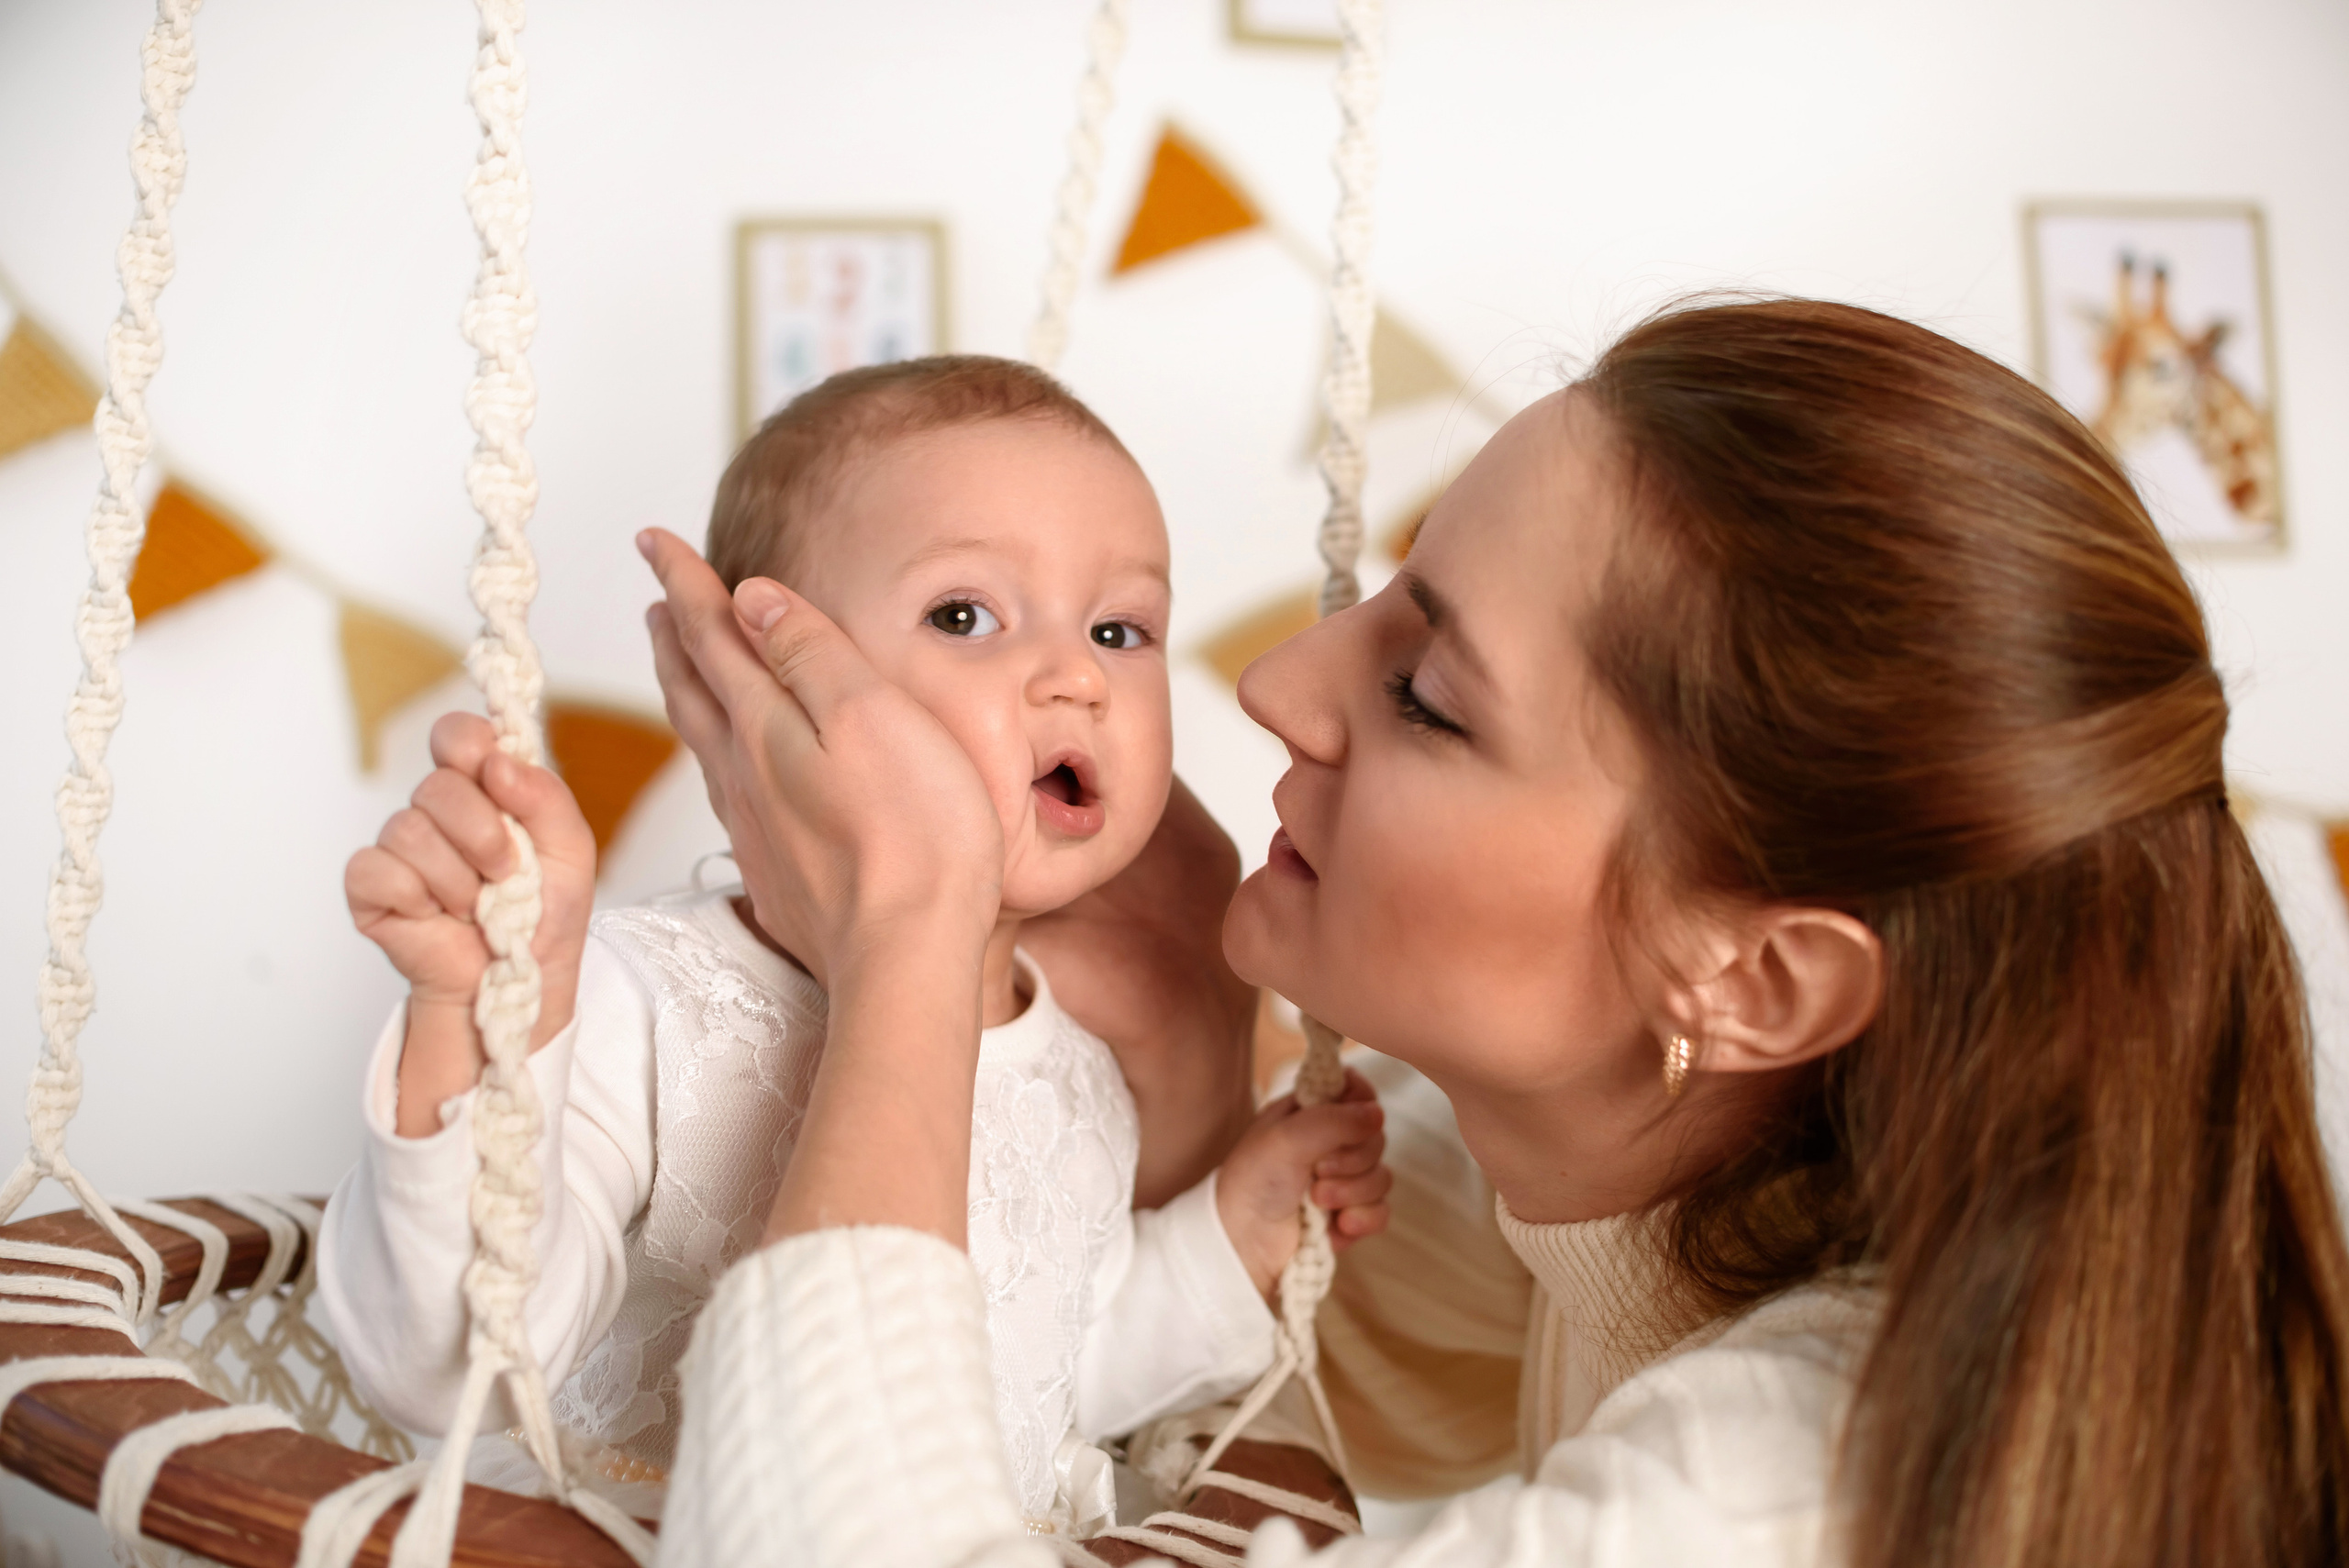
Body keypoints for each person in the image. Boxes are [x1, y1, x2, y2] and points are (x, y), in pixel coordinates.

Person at [635, 300, 2349, 1568]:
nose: (1273, 688)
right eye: (1384, 597)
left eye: (1428, 695)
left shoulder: (1791, 1492)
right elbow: (1138, 1330)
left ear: (1750, 977)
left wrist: (911, 943)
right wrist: (1162, 1035)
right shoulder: (1591, 1187)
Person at [317, 356, 1391, 1530]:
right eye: (964, 615)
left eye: (1121, 627)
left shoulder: (1075, 1060)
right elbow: (452, 1363)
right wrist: (479, 1027)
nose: (1077, 676)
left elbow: (1052, 1370)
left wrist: (1227, 1234)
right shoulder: (649, 998)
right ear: (769, 694)